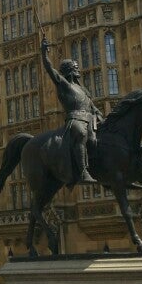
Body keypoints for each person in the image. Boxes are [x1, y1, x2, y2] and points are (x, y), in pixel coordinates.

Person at [40, 38, 104, 185]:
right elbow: (50, 69)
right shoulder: (64, 85)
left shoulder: (82, 89)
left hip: (89, 119)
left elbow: (91, 106)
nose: (78, 70)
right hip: (75, 120)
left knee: (104, 136)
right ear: (69, 70)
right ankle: (83, 172)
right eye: (75, 68)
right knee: (80, 134)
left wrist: (99, 114)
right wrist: (44, 53)